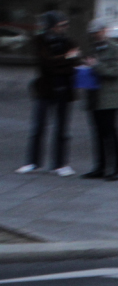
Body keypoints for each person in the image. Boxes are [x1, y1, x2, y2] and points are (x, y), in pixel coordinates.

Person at [17, 10, 79, 176]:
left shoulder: (69, 42)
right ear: (51, 26)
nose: (63, 28)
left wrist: (61, 61)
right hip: (45, 90)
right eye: (60, 25)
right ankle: (33, 162)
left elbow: (74, 64)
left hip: (64, 90)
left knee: (62, 129)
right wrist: (64, 59)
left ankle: (60, 164)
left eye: (65, 25)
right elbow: (45, 64)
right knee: (38, 127)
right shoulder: (40, 41)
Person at [80, 19, 118, 180]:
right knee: (97, 133)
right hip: (95, 97)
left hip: (111, 98)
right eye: (93, 33)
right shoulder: (94, 48)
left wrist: (95, 66)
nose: (95, 36)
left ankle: (117, 168)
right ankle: (100, 167)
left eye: (97, 32)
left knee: (111, 133)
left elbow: (117, 71)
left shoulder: (115, 48)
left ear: (105, 31)